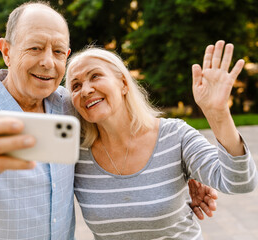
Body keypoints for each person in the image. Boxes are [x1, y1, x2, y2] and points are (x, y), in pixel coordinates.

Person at [0, 1, 217, 239]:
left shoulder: (71, 105)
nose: (48, 61)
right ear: (6, 51)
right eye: (34, 48)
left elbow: (125, 132)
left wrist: (182, 171)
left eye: (58, 51)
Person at [65, 41, 258, 239]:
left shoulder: (175, 135)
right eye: (76, 86)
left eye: (95, 76)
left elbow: (241, 182)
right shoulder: (75, 155)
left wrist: (218, 114)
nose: (86, 90)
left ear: (123, 83)